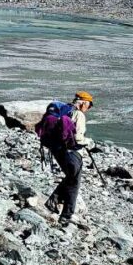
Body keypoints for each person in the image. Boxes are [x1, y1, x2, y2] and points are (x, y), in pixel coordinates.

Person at [44, 91, 94, 225]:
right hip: (72, 152)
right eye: (88, 105)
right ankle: (63, 211)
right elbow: (78, 138)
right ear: (83, 103)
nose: (88, 109)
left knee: (72, 179)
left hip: (57, 150)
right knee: (74, 182)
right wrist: (88, 142)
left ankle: (61, 209)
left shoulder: (65, 111)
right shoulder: (79, 114)